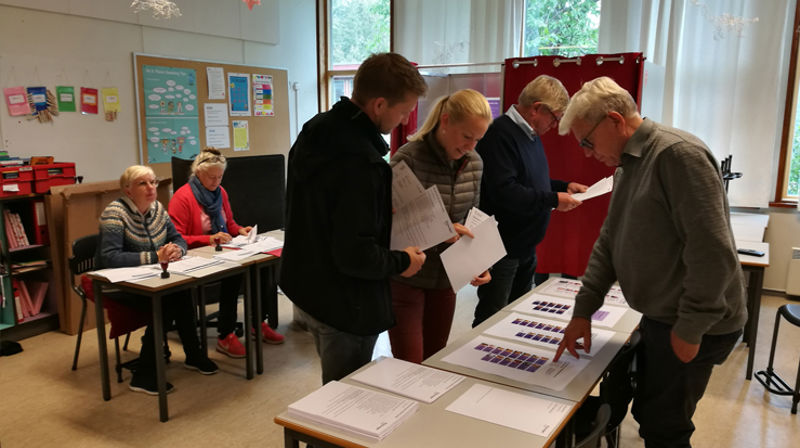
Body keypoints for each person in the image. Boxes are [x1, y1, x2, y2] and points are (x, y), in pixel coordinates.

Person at [554, 76, 746, 448]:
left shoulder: (678, 155)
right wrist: (583, 310)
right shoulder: (629, 163)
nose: (588, 154)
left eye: (587, 142)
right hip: (663, 315)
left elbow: (712, 252)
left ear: (614, 119)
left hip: (695, 322)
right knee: (650, 413)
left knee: (665, 426)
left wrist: (691, 326)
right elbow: (609, 241)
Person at [280, 52, 428, 384]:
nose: (404, 120)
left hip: (308, 287)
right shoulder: (362, 162)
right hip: (346, 301)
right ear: (378, 105)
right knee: (346, 398)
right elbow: (355, 253)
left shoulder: (316, 128)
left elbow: (323, 210)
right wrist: (402, 261)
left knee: (332, 386)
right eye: (403, 111)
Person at [472, 75, 587, 328]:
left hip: (524, 246)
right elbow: (505, 192)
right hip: (502, 249)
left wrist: (562, 186)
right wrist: (553, 199)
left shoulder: (529, 134)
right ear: (536, 109)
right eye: (554, 117)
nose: (555, 125)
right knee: (491, 320)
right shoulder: (499, 134)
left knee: (515, 316)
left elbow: (530, 181)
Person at [388, 89, 493, 363]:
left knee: (435, 361)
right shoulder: (408, 158)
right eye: (466, 136)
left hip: (445, 278)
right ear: (445, 122)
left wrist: (480, 260)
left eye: (478, 139)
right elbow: (388, 223)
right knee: (409, 365)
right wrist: (444, 230)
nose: (471, 146)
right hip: (407, 277)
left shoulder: (475, 163)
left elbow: (473, 218)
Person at [97, 165, 218, 395]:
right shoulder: (114, 213)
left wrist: (176, 251)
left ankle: (193, 355)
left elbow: (178, 238)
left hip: (152, 279)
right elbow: (109, 257)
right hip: (118, 285)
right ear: (128, 190)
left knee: (181, 292)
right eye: (143, 183)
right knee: (166, 301)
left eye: (153, 182)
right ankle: (144, 373)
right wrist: (155, 256)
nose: (151, 187)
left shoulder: (157, 210)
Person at [168, 148, 285, 360]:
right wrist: (209, 239)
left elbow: (229, 224)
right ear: (198, 173)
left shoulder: (220, 193)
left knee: (260, 268)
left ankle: (256, 322)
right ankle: (225, 335)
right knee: (234, 275)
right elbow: (178, 237)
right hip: (196, 256)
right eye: (211, 177)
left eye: (220, 177)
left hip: (221, 251)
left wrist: (240, 230)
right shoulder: (182, 197)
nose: (216, 182)